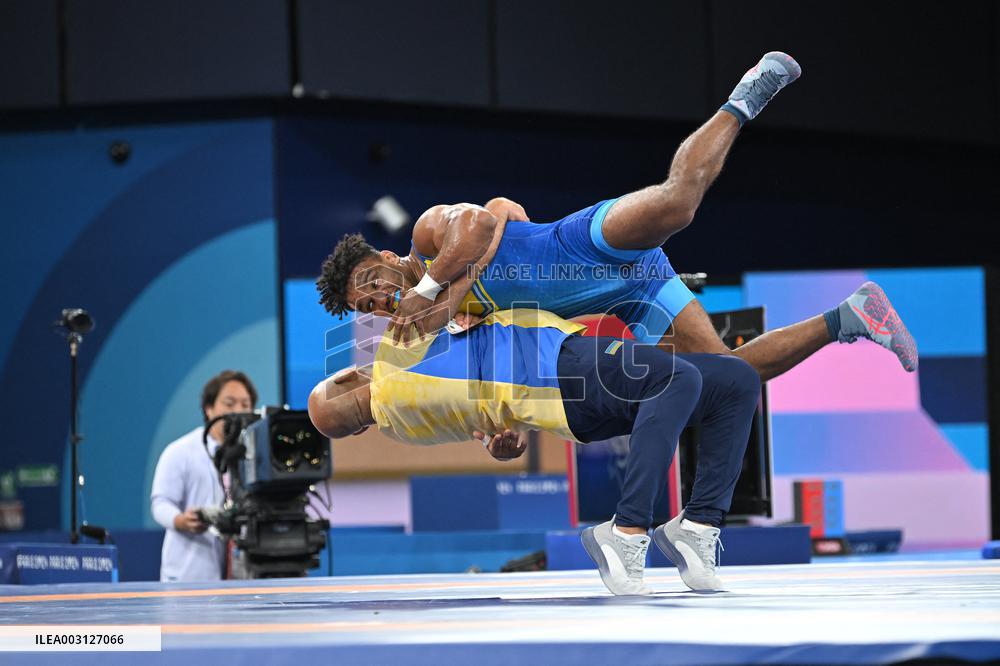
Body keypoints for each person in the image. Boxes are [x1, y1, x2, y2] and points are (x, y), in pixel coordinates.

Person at [315, 51, 917, 380]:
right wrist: (500, 437)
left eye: (371, 282)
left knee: (677, 203)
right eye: (367, 306)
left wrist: (428, 285)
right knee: (728, 380)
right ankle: (849, 317)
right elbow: (493, 285)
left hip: (582, 246)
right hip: (627, 298)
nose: (378, 301)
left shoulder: (424, 236)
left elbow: (479, 223)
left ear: (387, 258)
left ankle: (745, 98)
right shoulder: (440, 318)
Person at [308, 308, 760, 595]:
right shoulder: (391, 353)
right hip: (561, 368)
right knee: (685, 379)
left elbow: (481, 423)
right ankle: (627, 532)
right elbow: (448, 255)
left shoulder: (402, 428)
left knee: (734, 381)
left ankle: (695, 526)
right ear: (347, 379)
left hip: (566, 409)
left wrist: (497, 442)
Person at [150, 370, 257, 582]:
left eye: (245, 405)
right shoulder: (180, 452)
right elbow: (161, 503)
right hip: (190, 576)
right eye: (229, 403)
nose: (238, 411)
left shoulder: (256, 454)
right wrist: (180, 520)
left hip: (245, 577)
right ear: (209, 409)